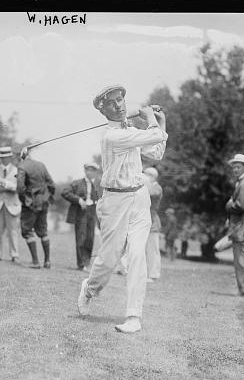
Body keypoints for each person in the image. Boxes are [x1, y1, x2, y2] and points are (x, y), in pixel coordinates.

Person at [77, 84, 167, 334]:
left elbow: (157, 151)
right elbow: (154, 136)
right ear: (103, 110)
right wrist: (151, 118)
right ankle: (90, 288)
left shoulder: (131, 130)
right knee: (109, 259)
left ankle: (133, 317)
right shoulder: (112, 136)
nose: (119, 105)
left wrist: (161, 121)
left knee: (138, 255)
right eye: (112, 103)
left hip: (139, 197)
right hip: (115, 202)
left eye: (121, 100)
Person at [17, 147, 56, 268]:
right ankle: (47, 261)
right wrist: (47, 197)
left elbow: (20, 188)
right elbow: (52, 185)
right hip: (43, 202)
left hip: (31, 204)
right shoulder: (41, 165)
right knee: (43, 231)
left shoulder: (22, 166)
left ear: (22, 155)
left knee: (27, 231)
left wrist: (25, 201)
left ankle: (35, 262)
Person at [225, 153, 244, 296]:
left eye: (238, 167)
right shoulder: (243, 182)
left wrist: (229, 205)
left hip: (241, 227)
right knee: (240, 258)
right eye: (234, 167)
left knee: (241, 259)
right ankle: (243, 288)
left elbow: (241, 205)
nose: (235, 170)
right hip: (240, 225)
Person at [62, 163, 101, 271]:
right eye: (88, 170)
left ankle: (87, 263)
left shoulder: (98, 184)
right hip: (81, 213)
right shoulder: (77, 183)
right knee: (81, 238)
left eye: (92, 170)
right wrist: (78, 200)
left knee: (90, 238)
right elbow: (65, 192)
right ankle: (81, 264)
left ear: (95, 172)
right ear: (85, 171)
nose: (90, 172)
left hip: (92, 213)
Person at [0, 146, 22, 262]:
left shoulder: (17, 171)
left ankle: (14, 255)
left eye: (6, 157)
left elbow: (17, 187)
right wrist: (7, 186)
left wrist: (3, 183)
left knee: (13, 231)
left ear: (10, 157)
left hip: (12, 205)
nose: (4, 159)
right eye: (2, 157)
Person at [144, 167, 163, 281]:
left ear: (152, 176)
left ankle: (153, 274)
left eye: (146, 175)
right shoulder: (149, 186)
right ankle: (147, 273)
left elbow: (152, 193)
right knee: (145, 249)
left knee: (152, 249)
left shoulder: (157, 187)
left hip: (153, 222)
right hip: (145, 220)